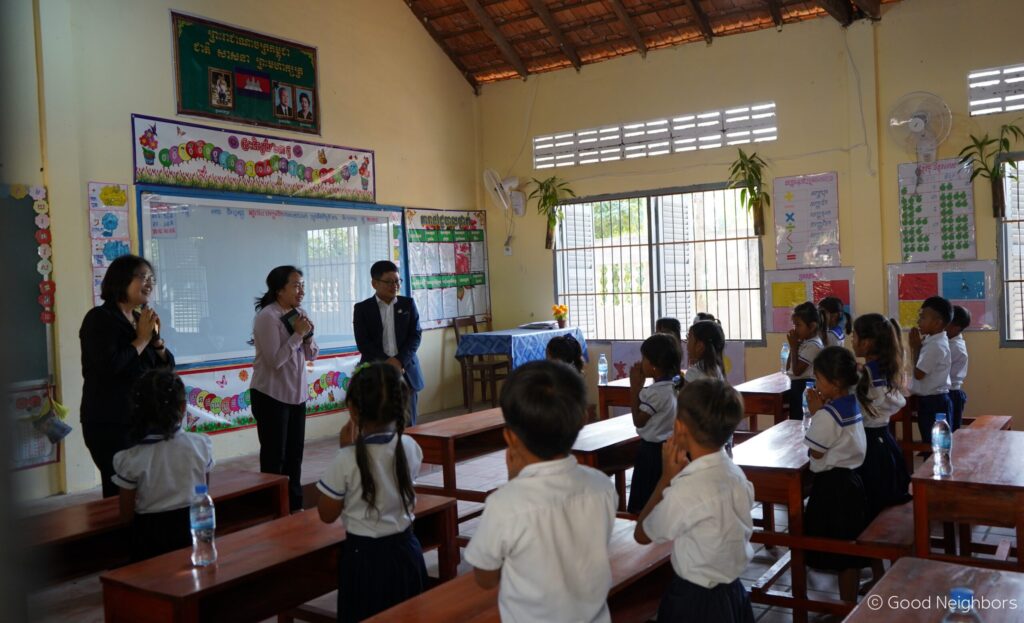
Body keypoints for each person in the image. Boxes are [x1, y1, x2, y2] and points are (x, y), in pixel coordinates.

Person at [465, 360, 617, 622]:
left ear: (510, 437)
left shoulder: (505, 504)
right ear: (583, 419)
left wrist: (516, 484)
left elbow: (486, 577)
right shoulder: (602, 486)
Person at [634, 379, 755, 623]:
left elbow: (642, 533)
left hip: (694, 601)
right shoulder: (735, 475)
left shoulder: (687, 488)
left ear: (679, 428)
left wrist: (665, 480)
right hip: (733, 593)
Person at [316, 363, 426, 622]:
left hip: (365, 561)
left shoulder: (346, 459)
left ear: (352, 411)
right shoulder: (410, 447)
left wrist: (344, 449)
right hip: (407, 551)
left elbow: (326, 514)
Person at [80, 254, 173, 497]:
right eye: (143, 277)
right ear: (121, 280)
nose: (150, 283)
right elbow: (109, 367)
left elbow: (163, 371)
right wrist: (141, 340)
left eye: (152, 278)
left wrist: (156, 342)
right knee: (121, 491)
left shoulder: (139, 319)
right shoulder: (99, 319)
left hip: (142, 418)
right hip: (110, 421)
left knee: (149, 491)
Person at [112, 370, 214, 561]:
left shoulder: (129, 459)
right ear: (183, 407)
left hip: (150, 540)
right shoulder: (201, 445)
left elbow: (125, 517)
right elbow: (203, 492)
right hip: (194, 535)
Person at [803, 346, 870, 603]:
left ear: (836, 382)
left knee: (837, 549)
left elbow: (816, 453)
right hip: (852, 482)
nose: (816, 384)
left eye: (819, 379)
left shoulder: (828, 415)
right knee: (848, 553)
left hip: (832, 490)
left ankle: (844, 607)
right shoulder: (850, 403)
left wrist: (816, 412)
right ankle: (849, 604)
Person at [250, 265, 318, 511]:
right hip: (271, 395)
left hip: (296, 395)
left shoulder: (299, 313)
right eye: (296, 285)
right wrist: (298, 336)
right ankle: (271, 508)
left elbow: (310, 355)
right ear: (279, 290)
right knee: (274, 456)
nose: (301, 290)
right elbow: (275, 361)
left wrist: (308, 337)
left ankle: (295, 505)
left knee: (295, 455)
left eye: (302, 285)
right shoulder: (267, 317)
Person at [851, 314, 911, 521]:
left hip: (866, 445)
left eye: (855, 336)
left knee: (869, 502)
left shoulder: (862, 378)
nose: (852, 340)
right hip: (885, 442)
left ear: (866, 343)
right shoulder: (887, 370)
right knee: (881, 501)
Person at [353, 260, 424, 424]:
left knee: (408, 425)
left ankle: (406, 450)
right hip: (375, 373)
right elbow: (363, 343)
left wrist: (398, 361)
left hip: (406, 371)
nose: (395, 286)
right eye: (389, 282)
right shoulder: (362, 309)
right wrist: (387, 363)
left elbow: (416, 336)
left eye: (398, 281)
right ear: (374, 283)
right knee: (379, 424)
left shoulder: (408, 304)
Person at [627, 333, 683, 514]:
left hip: (651, 453)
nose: (640, 362)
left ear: (653, 366)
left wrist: (635, 387)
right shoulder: (674, 385)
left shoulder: (656, 393)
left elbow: (638, 421)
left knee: (644, 503)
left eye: (644, 358)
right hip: (667, 449)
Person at [908, 296, 953, 445]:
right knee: (934, 444)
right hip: (934, 400)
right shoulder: (932, 340)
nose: (918, 322)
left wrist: (915, 348)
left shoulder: (935, 346)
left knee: (935, 446)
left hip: (934, 403)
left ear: (937, 322)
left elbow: (919, 374)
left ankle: (935, 468)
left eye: (923, 317)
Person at [783, 301, 824, 421]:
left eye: (798, 325)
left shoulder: (813, 345)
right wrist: (793, 346)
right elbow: (788, 368)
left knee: (799, 421)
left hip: (804, 387)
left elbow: (797, 371)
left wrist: (794, 347)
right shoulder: (805, 342)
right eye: (794, 325)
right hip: (797, 386)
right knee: (795, 419)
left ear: (812, 326)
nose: (795, 329)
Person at [947, 305, 971, 431]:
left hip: (951, 394)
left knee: (951, 433)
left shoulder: (955, 347)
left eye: (945, 322)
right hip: (948, 392)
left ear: (955, 328)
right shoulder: (947, 342)